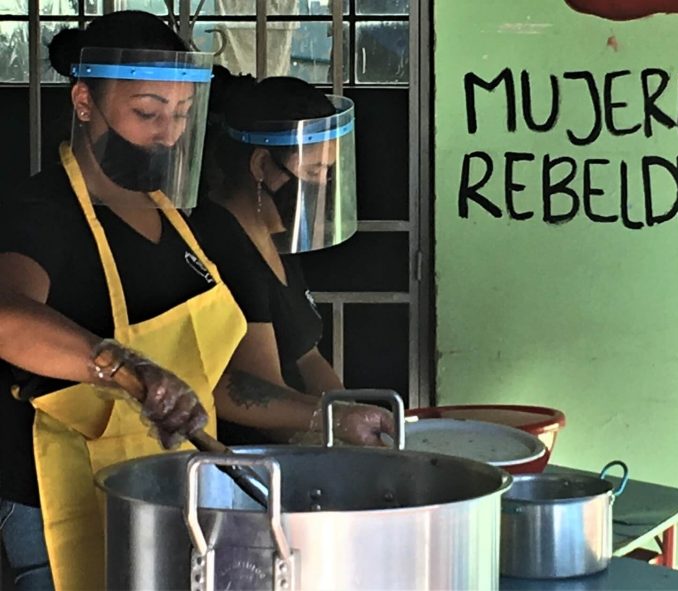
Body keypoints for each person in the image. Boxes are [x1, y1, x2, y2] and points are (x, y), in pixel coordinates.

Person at [0, 11, 247, 589]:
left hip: (167, 494)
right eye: (146, 112)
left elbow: (210, 382)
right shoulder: (42, 213)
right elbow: (7, 319)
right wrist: (126, 369)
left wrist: (323, 418)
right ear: (85, 101)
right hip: (55, 505)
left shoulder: (175, 217)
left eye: (182, 114)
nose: (167, 133)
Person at [191, 68, 393, 446]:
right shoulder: (225, 248)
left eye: (330, 172)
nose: (323, 184)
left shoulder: (275, 235)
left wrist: (356, 416)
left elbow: (307, 356)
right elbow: (268, 405)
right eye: (314, 170)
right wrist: (336, 430)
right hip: (252, 462)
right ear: (262, 166)